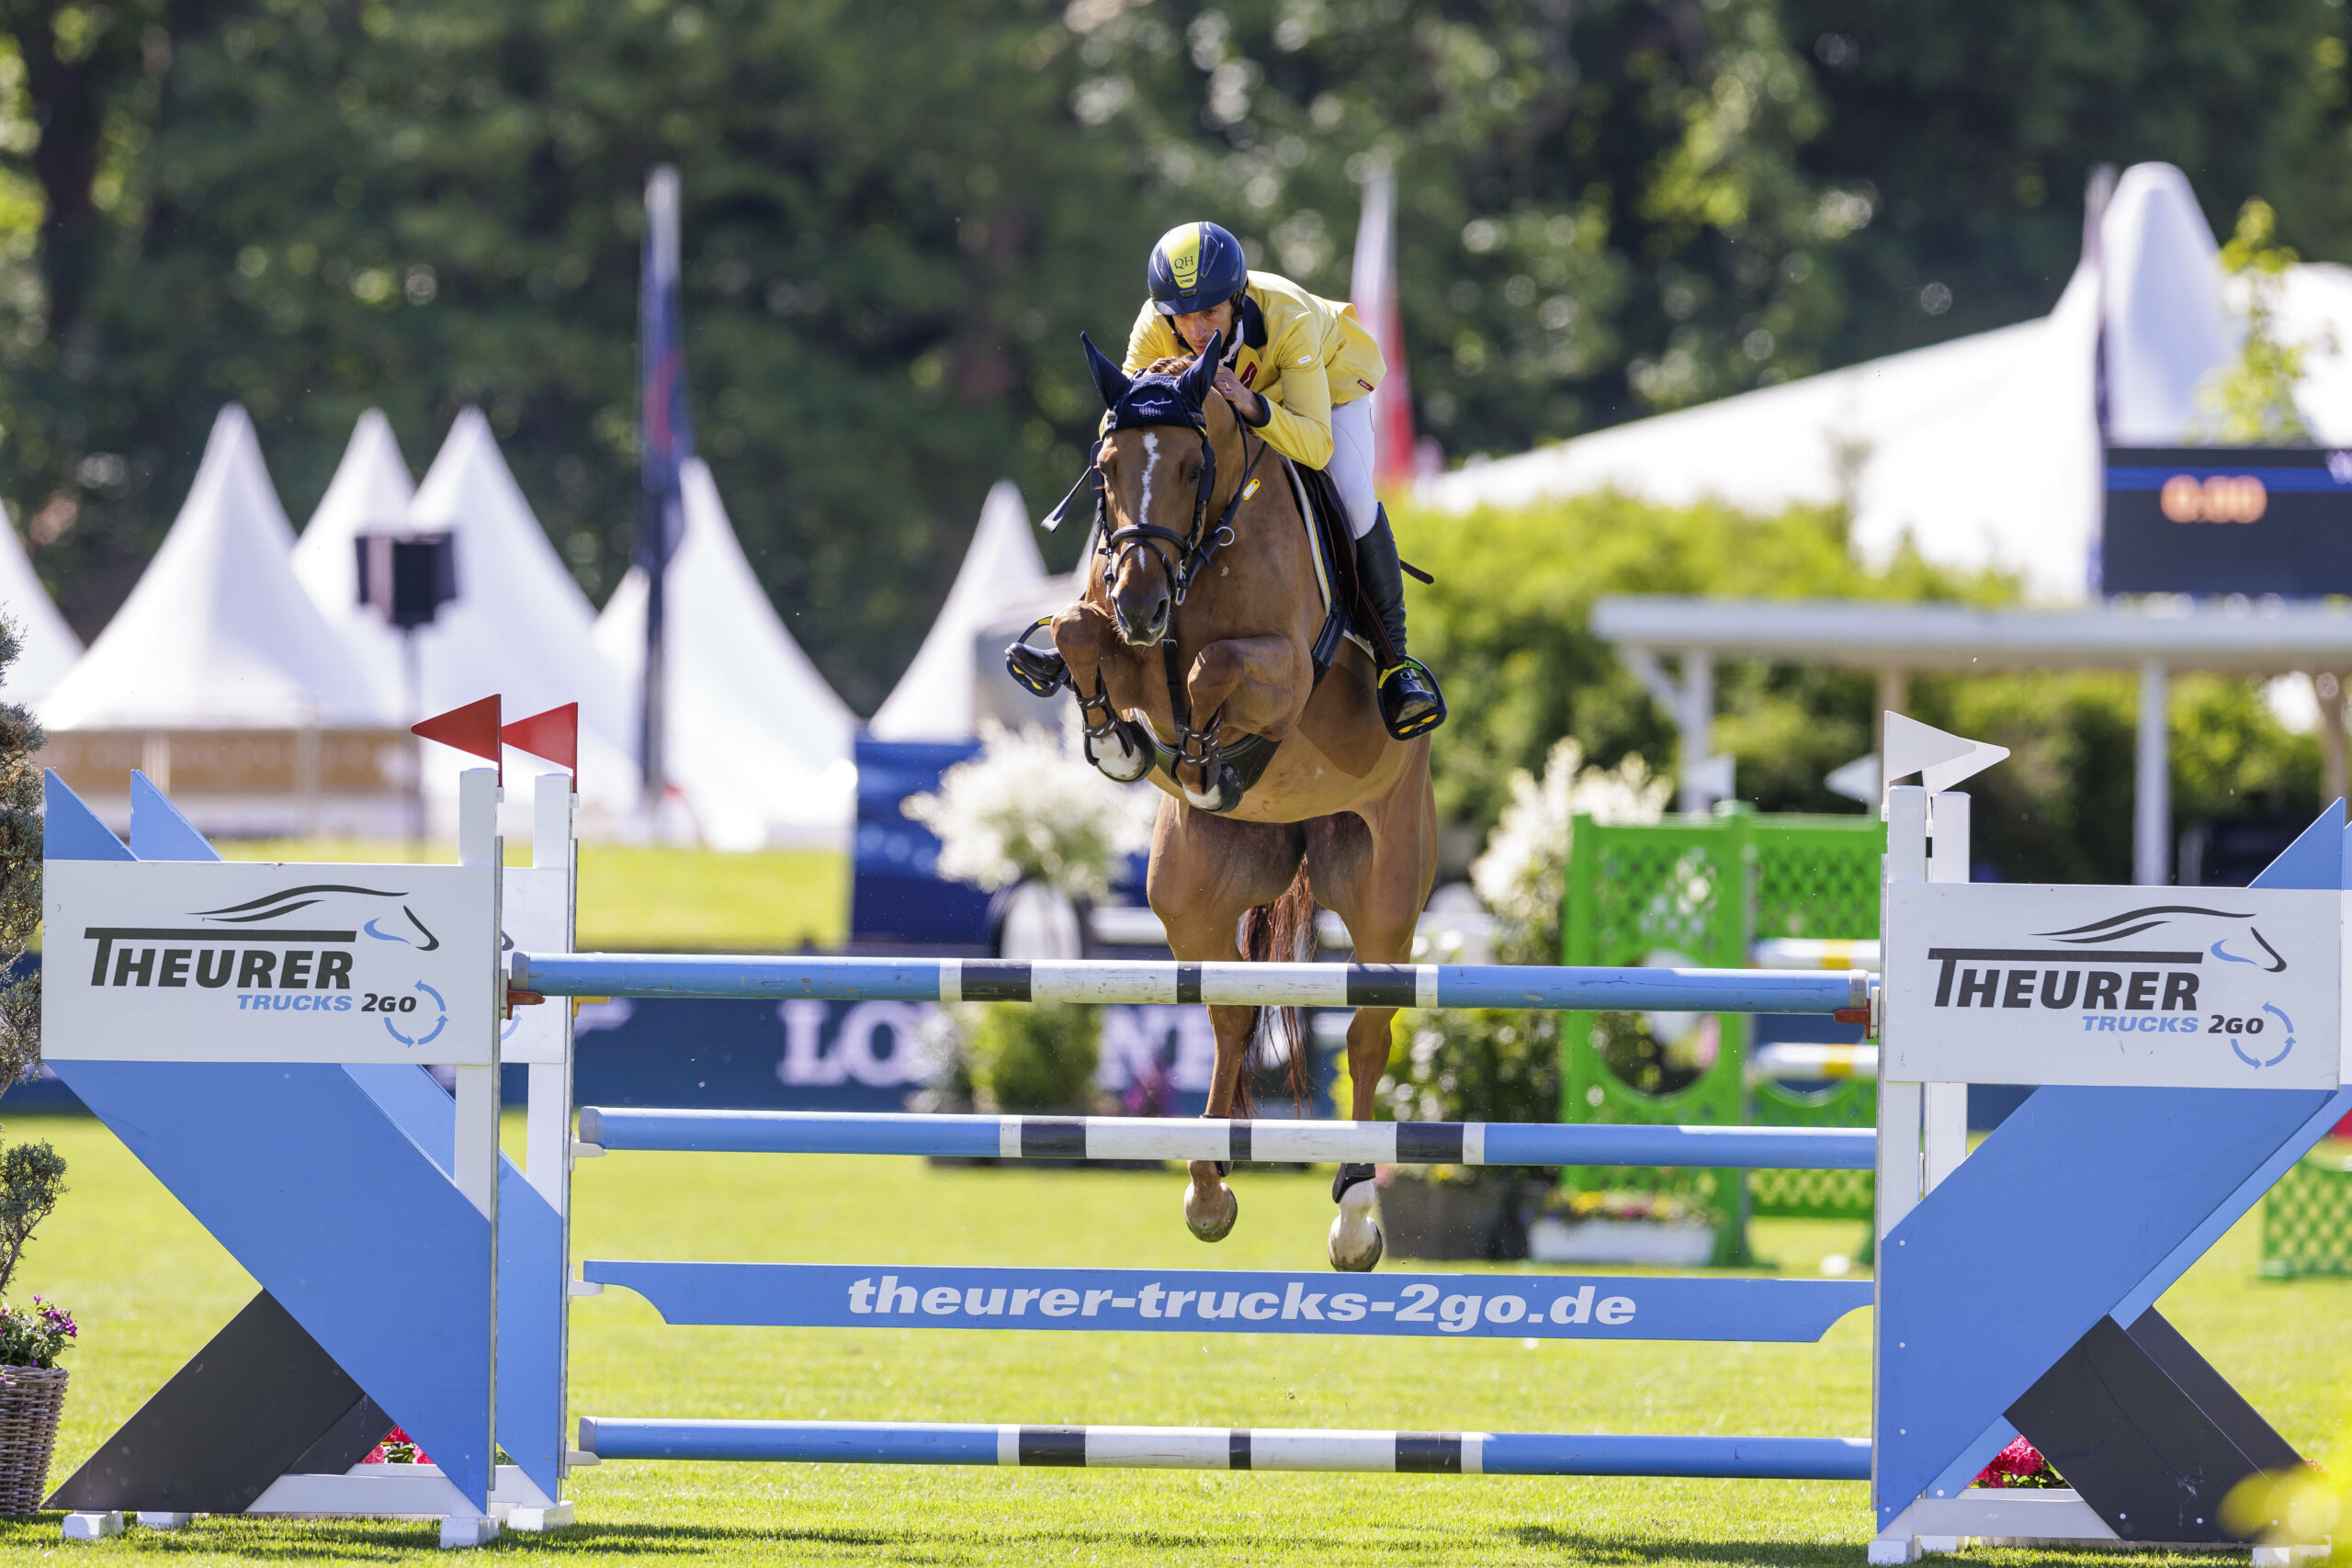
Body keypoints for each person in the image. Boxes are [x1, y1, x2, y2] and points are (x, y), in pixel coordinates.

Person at [1120, 220, 1443, 740]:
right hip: (1238, 399)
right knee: (1139, 482)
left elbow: (1316, 445)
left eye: (1211, 312)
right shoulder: (1155, 324)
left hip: (1327, 384)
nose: (1198, 330)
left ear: (1237, 297)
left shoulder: (1287, 315)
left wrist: (1250, 404)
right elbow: (1123, 428)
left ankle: (1395, 665)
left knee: (1354, 496)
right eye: (1184, 316)